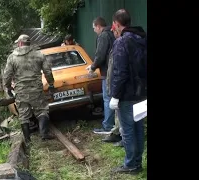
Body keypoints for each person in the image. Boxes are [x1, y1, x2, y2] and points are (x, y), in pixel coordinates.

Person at [109, 9, 147, 174]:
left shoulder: (122, 42)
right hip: (142, 93)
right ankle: (137, 162)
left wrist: (115, 96)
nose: (114, 29)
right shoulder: (142, 38)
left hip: (127, 94)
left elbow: (120, 72)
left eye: (114, 26)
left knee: (128, 130)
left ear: (117, 24)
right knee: (138, 127)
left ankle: (131, 164)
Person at [3, 34, 55, 143]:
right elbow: (47, 71)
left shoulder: (12, 57)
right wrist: (51, 84)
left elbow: (7, 75)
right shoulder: (39, 55)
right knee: (42, 110)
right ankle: (44, 134)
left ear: (20, 43)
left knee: (23, 114)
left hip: (21, 91)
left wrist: (8, 87)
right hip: (36, 89)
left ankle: (27, 140)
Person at [86, 17, 116, 134]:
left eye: (94, 28)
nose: (94, 30)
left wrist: (93, 67)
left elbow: (100, 55)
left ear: (98, 26)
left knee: (107, 98)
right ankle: (114, 124)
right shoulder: (113, 33)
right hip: (114, 70)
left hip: (107, 72)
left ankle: (107, 126)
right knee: (114, 98)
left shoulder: (103, 36)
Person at [102, 24, 123, 146]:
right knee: (118, 114)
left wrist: (115, 92)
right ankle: (117, 133)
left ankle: (123, 137)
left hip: (121, 87)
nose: (113, 32)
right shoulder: (116, 44)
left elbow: (121, 71)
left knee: (122, 114)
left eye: (114, 30)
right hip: (115, 85)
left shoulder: (121, 44)